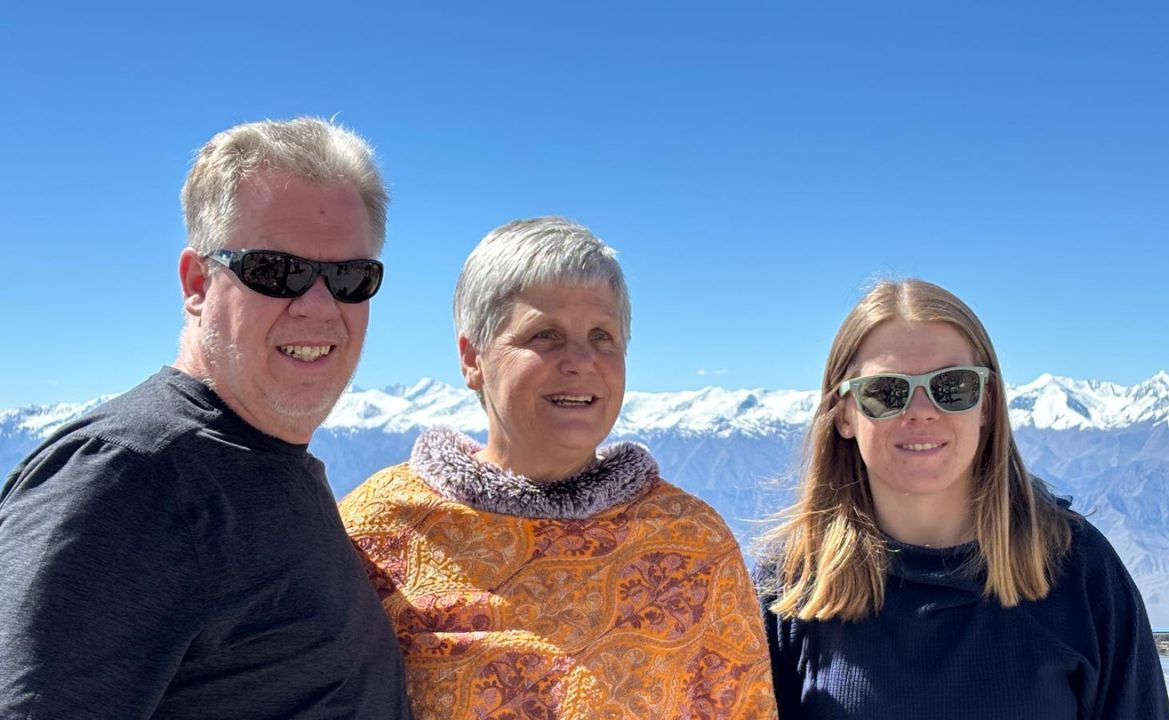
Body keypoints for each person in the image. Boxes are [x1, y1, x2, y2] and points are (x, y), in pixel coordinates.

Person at [0, 117, 412, 719]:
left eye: (351, 278)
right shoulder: (130, 477)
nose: (320, 306)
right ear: (197, 283)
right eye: (277, 271)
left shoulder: (258, 459)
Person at [340, 216, 777, 719]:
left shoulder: (692, 544)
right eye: (544, 335)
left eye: (602, 336)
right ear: (472, 358)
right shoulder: (377, 534)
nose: (580, 360)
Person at [757, 279, 1169, 719]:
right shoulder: (792, 585)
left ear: (987, 405)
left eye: (952, 387)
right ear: (844, 413)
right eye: (886, 392)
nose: (921, 411)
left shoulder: (1077, 568)